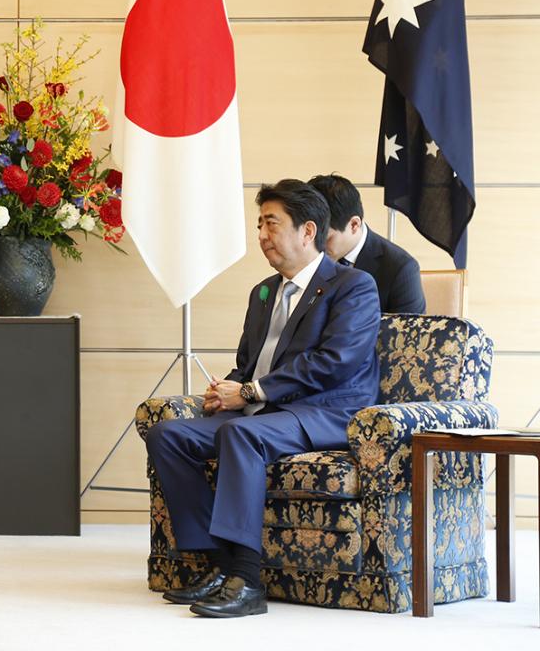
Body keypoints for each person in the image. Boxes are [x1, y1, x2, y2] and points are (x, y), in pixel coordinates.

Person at [143, 180, 380, 618]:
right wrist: (225, 391)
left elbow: (335, 362)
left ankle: (247, 581)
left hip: (325, 411)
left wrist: (250, 393)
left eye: (272, 224)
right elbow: (248, 364)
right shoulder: (264, 292)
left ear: (307, 231)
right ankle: (217, 565)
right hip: (266, 412)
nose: (262, 235)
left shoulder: (353, 286)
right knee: (167, 435)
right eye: (259, 225)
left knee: (241, 434)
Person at [307, 173, 426, 314]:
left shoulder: (400, 269)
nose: (316, 246)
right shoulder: (306, 253)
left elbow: (407, 334)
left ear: (354, 224)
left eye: (326, 238)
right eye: (310, 235)